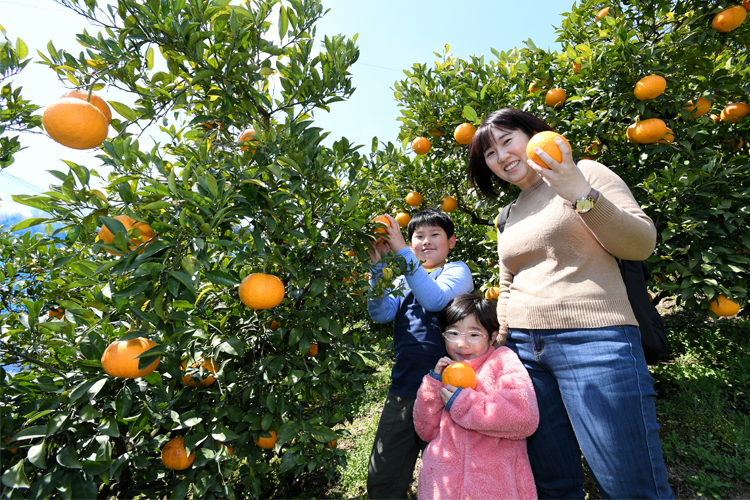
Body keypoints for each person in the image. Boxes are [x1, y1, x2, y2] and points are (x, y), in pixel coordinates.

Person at [466, 108, 674, 500]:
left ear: (533, 134)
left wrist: (578, 192)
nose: (501, 156)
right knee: (552, 483)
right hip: (525, 352)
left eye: (507, 140)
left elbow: (641, 243)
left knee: (628, 485)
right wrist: (501, 345)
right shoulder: (506, 215)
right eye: (490, 154)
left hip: (595, 341)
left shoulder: (585, 173)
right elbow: (507, 282)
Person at [366, 208, 474, 499]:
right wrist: (377, 270)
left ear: (451, 242)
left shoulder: (457, 271)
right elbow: (381, 313)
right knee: (383, 477)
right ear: (410, 242)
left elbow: (435, 299)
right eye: (418, 236)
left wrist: (401, 252)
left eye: (434, 234)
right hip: (405, 387)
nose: (425, 241)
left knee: (445, 478)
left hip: (449, 390)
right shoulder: (402, 280)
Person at [413, 293, 539, 500]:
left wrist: (463, 403)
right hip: (441, 488)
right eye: (453, 333)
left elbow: (524, 416)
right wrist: (434, 384)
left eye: (474, 335)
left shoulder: (502, 361)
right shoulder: (444, 372)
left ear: (492, 336)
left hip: (495, 488)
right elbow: (426, 431)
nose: (462, 344)